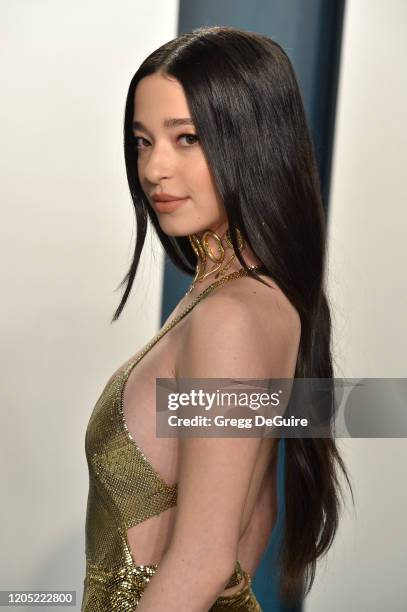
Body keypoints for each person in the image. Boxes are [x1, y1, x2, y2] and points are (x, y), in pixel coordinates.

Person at [81, 25, 353, 611]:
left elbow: (203, 564)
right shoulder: (240, 297)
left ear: (252, 142)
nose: (154, 169)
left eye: (187, 139)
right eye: (142, 140)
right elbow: (255, 519)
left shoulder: (230, 314)